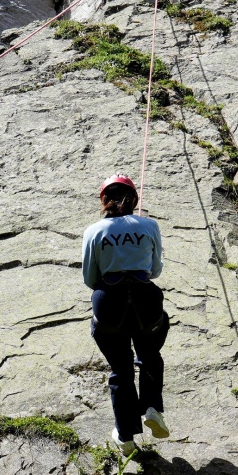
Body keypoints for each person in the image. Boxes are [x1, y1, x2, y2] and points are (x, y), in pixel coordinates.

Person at [82, 173, 171, 454]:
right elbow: (155, 270)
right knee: (149, 355)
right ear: (134, 200)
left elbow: (89, 277)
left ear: (104, 200)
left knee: (120, 369)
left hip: (109, 301)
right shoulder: (149, 225)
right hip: (146, 299)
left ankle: (125, 435)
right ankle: (152, 408)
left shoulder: (94, 231)